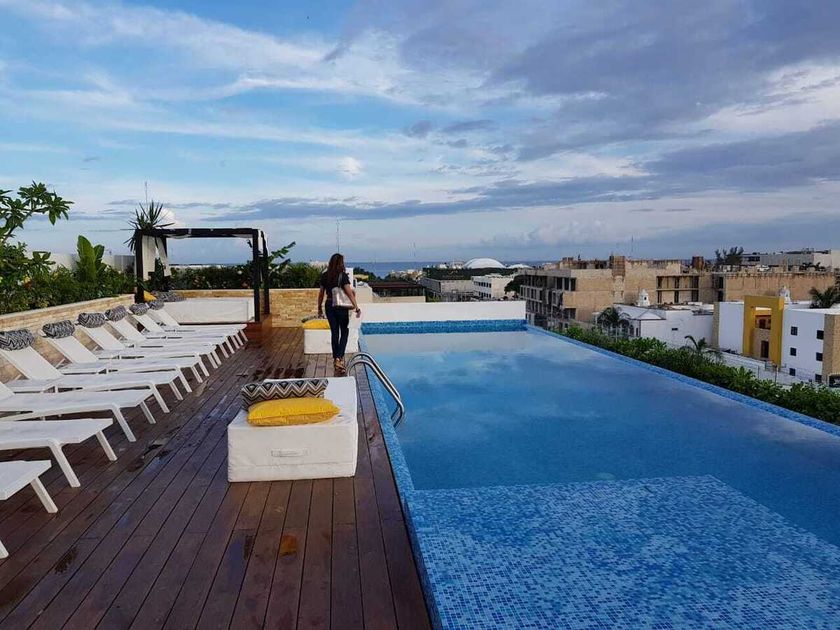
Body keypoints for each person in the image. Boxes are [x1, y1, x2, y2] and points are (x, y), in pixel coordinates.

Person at [317, 253, 361, 375]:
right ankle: (339, 358)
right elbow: (349, 293)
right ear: (340, 263)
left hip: (329, 305)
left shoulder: (325, 276)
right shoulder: (343, 276)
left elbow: (321, 293)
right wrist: (356, 307)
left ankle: (336, 358)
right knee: (345, 332)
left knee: (334, 333)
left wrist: (319, 307)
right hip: (341, 307)